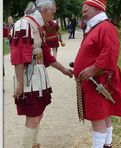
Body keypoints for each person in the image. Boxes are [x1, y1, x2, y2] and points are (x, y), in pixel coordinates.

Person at [10, 0, 73, 148]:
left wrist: (63, 70)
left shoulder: (38, 26)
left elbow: (46, 54)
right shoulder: (24, 24)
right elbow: (18, 56)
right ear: (44, 10)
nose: (52, 17)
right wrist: (19, 83)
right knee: (32, 116)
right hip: (28, 78)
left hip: (38, 77)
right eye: (52, 13)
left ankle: (34, 144)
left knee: (38, 113)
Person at [73, 0, 121, 148]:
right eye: (83, 11)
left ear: (97, 9)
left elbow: (110, 52)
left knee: (98, 118)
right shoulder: (96, 27)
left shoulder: (105, 27)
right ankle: (107, 145)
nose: (83, 13)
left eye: (86, 10)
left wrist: (92, 69)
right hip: (94, 81)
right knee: (104, 116)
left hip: (99, 81)